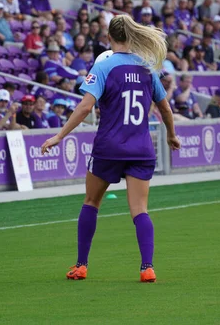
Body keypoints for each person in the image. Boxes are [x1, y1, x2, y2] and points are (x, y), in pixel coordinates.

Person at [40, 15, 181, 283]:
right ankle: (147, 267)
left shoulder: (104, 66)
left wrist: (59, 135)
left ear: (109, 37)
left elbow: (85, 107)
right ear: (131, 36)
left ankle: (81, 265)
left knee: (91, 202)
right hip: (140, 149)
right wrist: (171, 135)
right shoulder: (147, 68)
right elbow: (165, 107)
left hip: (109, 147)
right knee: (140, 209)